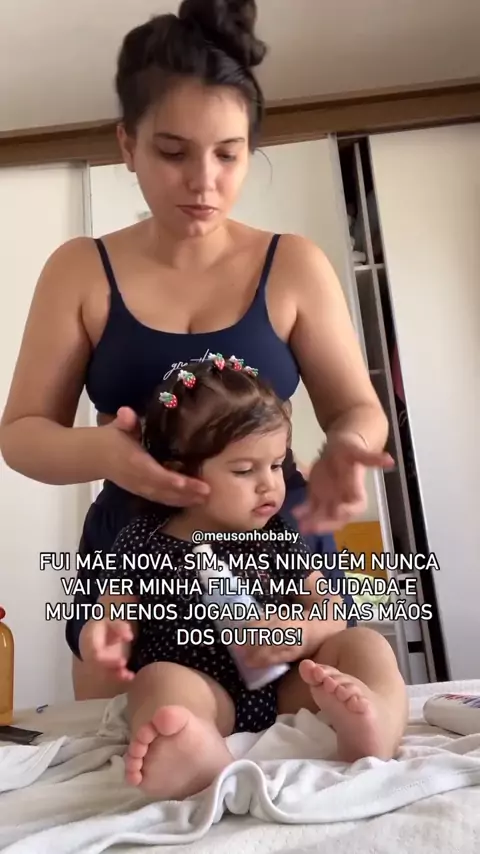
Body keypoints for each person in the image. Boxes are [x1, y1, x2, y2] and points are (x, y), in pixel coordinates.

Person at [0, 0, 392, 702]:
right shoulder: (80, 270)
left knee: (333, 694)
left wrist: (348, 449)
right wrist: (105, 454)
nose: (204, 181)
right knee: (149, 723)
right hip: (138, 553)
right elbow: (22, 435)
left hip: (277, 540)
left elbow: (357, 409)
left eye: (228, 154)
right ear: (128, 145)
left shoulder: (293, 265)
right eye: (173, 152)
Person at [80, 359, 407, 800]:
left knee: (366, 643)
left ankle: (375, 723)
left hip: (289, 687)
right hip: (205, 692)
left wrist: (300, 633)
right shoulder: (143, 540)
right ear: (179, 474)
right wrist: (104, 637)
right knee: (157, 683)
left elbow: (330, 610)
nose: (269, 485)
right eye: (244, 470)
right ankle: (194, 750)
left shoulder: (278, 536)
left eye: (276, 465)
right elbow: (112, 614)